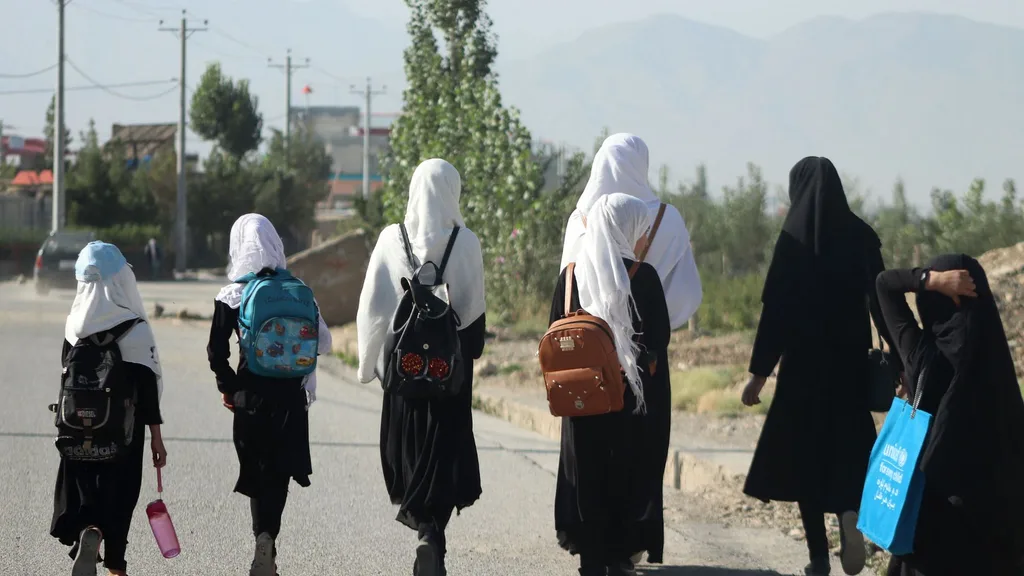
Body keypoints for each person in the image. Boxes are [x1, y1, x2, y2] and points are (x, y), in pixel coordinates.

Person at [740, 156, 898, 576]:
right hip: (848, 367)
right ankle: (849, 512)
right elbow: (883, 302)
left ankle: (817, 557)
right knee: (847, 449)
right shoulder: (862, 236)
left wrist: (758, 374)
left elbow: (775, 313)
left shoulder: (793, 239)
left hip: (801, 373)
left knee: (805, 458)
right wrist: (902, 359)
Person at [559, 133, 701, 566]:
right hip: (644, 365)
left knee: (586, 452)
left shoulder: (579, 220)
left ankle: (588, 540)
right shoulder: (666, 219)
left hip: (585, 364)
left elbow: (566, 296)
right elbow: (684, 296)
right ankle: (631, 542)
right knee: (640, 451)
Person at [356, 159, 486, 576]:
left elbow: (372, 309)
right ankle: (434, 537)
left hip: (404, 375)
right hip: (449, 375)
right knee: (444, 458)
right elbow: (474, 322)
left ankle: (427, 536)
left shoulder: (391, 239)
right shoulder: (466, 242)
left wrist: (368, 363)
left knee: (411, 456)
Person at [875, 255, 1024, 576]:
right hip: (993, 530)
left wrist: (929, 280)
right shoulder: (994, 362)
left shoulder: (921, 353)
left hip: (932, 519)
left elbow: (884, 284)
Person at [550, 193, 672, 576]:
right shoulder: (644, 276)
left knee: (585, 471)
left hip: (580, 398)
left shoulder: (569, 277)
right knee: (624, 471)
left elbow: (554, 329)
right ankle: (619, 556)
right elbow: (660, 339)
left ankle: (590, 556)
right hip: (627, 398)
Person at [207, 213, 331, 576]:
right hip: (291, 399)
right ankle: (269, 541)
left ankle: (261, 538)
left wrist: (228, 387)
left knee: (259, 471)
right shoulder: (296, 287)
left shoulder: (232, 293)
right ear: (276, 243)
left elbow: (216, 351)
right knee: (278, 476)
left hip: (251, 396)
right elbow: (322, 342)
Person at [50, 241, 167, 576]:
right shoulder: (135, 328)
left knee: (85, 485)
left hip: (76, 430)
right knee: (120, 495)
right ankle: (116, 563)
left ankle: (89, 532)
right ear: (121, 281)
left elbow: (64, 378)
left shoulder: (74, 325)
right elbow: (147, 393)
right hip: (124, 434)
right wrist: (156, 439)